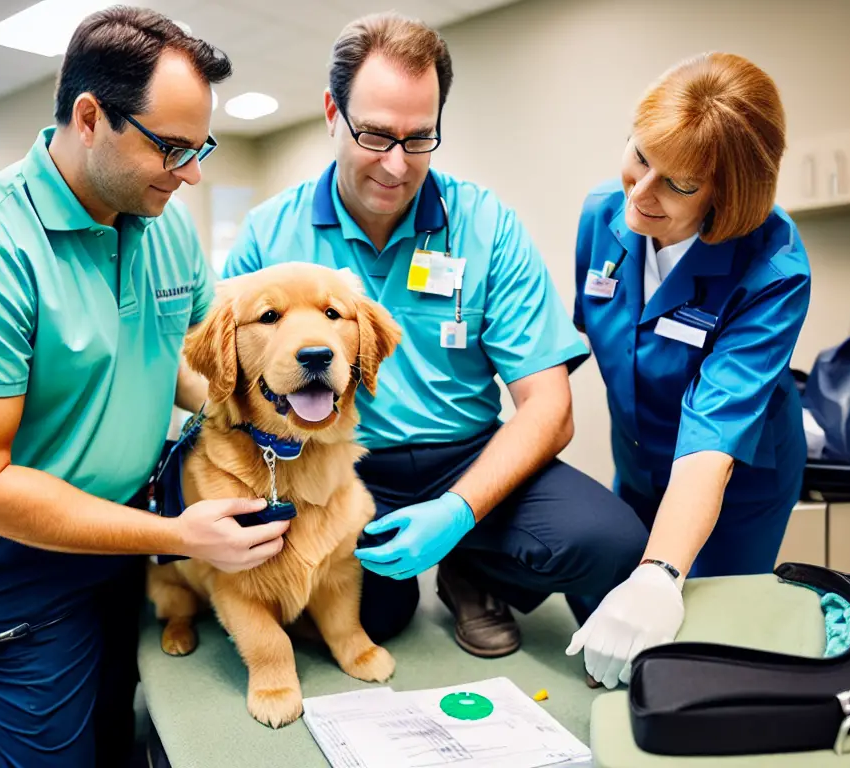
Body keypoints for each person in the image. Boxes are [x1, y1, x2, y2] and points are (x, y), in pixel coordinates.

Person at [0, 8, 289, 767]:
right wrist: (180, 535)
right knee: (51, 757)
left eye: (199, 147)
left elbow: (182, 357)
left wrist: (249, 415)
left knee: (119, 713)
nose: (193, 173)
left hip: (120, 521)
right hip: (0, 548)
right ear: (89, 118)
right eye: (172, 147)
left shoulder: (164, 220)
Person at [223, 12, 647, 659]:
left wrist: (458, 512)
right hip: (335, 465)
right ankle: (415, 576)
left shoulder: (484, 224)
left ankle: (472, 568)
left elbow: (550, 408)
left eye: (419, 139)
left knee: (609, 541)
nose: (396, 166)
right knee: (373, 614)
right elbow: (226, 386)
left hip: (468, 456)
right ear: (332, 113)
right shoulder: (267, 236)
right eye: (375, 136)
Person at [566, 52, 811, 690]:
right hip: (640, 460)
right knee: (618, 645)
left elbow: (714, 434)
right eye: (640, 156)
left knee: (707, 649)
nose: (640, 195)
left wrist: (661, 572)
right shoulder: (602, 215)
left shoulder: (773, 269)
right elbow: (578, 337)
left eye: (678, 184)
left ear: (727, 194)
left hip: (737, 483)